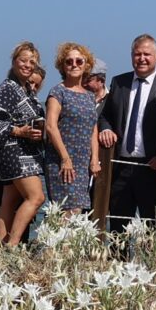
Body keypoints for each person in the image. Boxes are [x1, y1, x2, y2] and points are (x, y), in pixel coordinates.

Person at [0, 41, 50, 245]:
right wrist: (19, 131)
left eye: (32, 62)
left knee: (8, 201)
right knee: (36, 198)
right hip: (12, 151)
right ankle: (12, 245)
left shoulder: (26, 90)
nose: (27, 65)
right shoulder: (7, 88)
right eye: (23, 60)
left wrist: (34, 133)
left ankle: (1, 244)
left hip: (25, 150)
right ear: (14, 61)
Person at [97, 36, 156, 230]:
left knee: (152, 229)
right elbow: (105, 116)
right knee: (118, 227)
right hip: (120, 166)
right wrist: (106, 128)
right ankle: (117, 261)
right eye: (137, 54)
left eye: (147, 54)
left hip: (152, 167)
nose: (142, 58)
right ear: (131, 56)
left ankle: (151, 261)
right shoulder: (119, 82)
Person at [42, 43, 102, 214]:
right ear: (62, 66)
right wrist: (65, 158)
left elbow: (93, 127)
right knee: (66, 211)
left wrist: (94, 159)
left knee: (77, 212)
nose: (74, 65)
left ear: (86, 65)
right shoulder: (57, 92)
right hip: (62, 162)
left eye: (79, 61)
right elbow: (51, 126)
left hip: (83, 163)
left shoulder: (90, 96)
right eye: (69, 62)